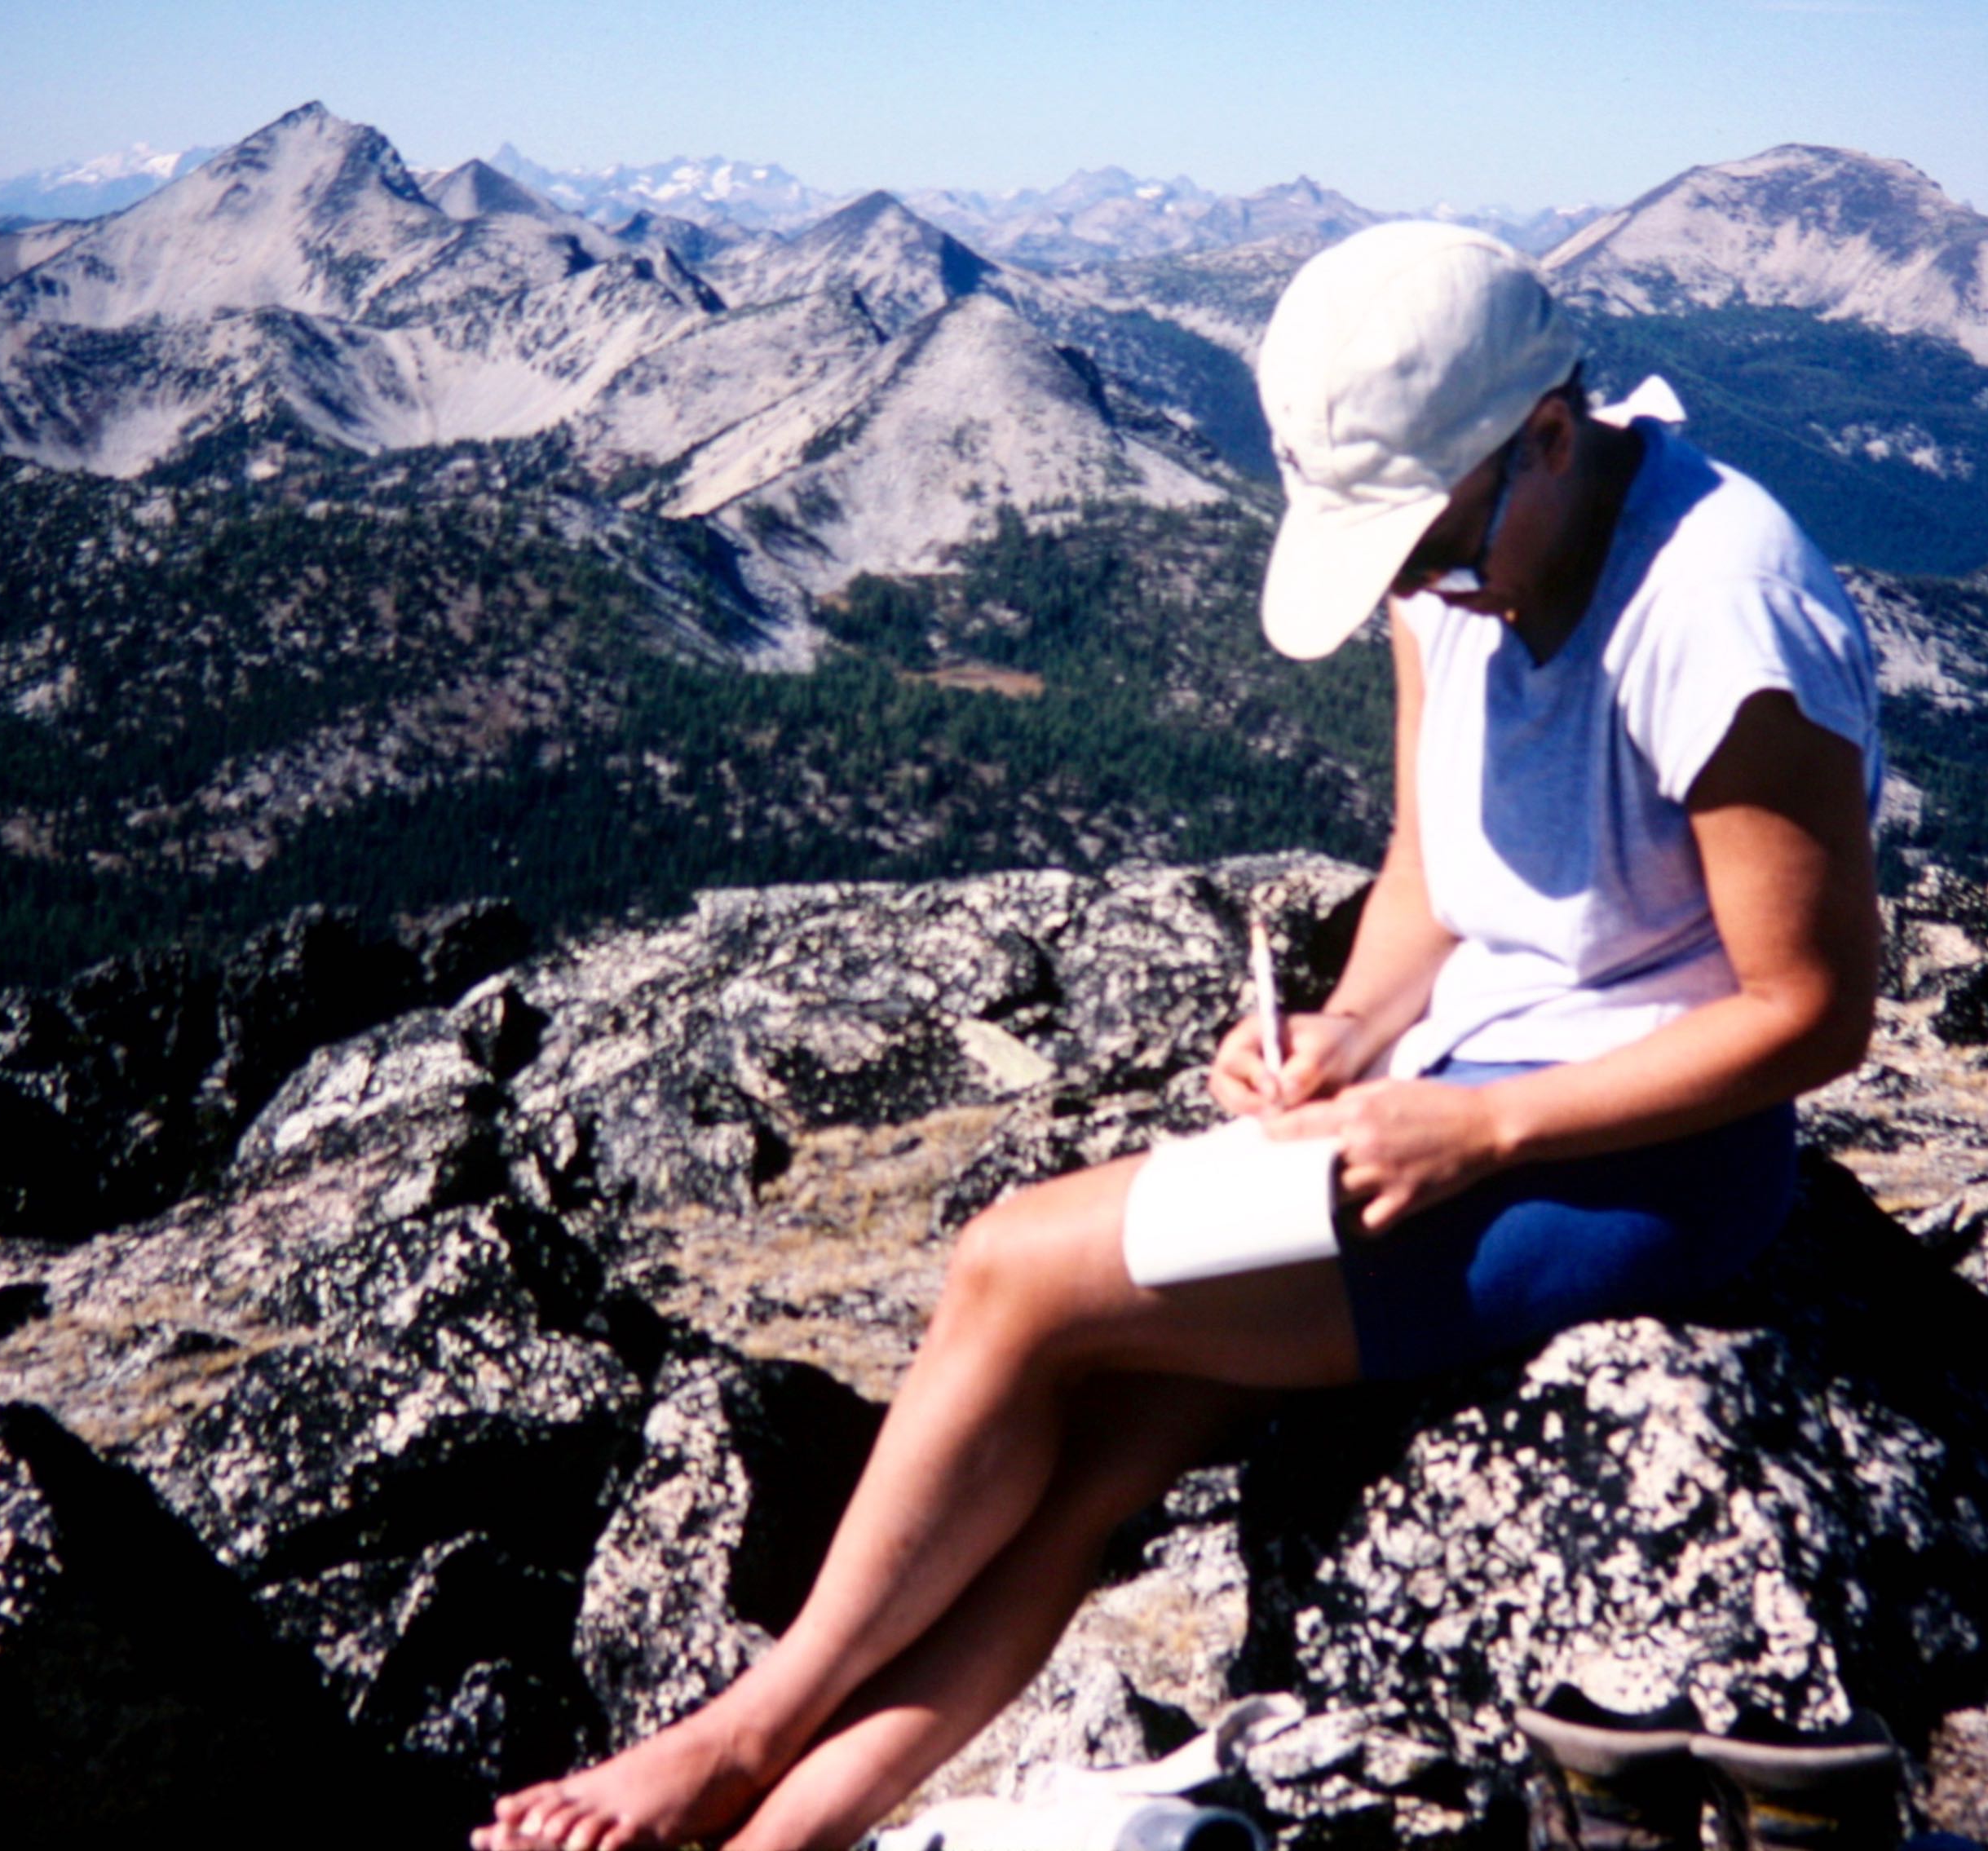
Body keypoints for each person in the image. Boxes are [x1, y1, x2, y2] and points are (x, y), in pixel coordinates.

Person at [476, 221, 1882, 1851]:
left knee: (1012, 1267)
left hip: (1639, 1155)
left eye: (1429, 543)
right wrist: (1351, 1030)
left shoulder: (1723, 606)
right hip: (1448, 1097)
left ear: (1548, 435)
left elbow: (1808, 1013)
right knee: (1081, 1459)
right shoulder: (1466, 560)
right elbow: (1432, 867)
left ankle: (738, 1733)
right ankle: (783, 1836)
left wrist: (1479, 1131)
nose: (1418, 586)